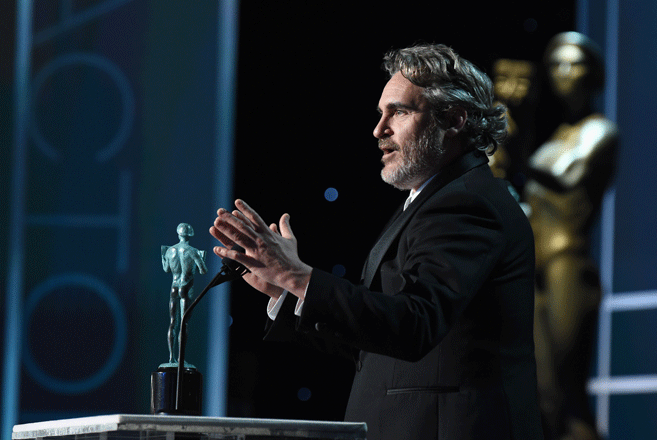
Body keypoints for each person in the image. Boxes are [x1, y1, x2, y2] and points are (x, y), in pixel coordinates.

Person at [210, 43, 543, 440]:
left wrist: (299, 276)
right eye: (380, 113)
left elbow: (415, 323)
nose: (378, 129)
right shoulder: (432, 200)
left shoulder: (466, 203)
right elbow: (376, 342)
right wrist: (289, 290)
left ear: (453, 120)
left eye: (398, 112)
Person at [525, 32, 617, 440]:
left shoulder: (600, 130)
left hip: (568, 264)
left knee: (568, 392)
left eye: (573, 63)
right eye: (556, 63)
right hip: (535, 266)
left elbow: (566, 172)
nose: (563, 72)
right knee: (544, 396)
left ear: (592, 73)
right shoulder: (554, 137)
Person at [162, 223, 208, 365]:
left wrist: (163, 257)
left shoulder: (170, 251)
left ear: (178, 234)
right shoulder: (193, 251)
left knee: (172, 322)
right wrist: (202, 257)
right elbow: (203, 270)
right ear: (190, 234)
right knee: (184, 323)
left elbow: (166, 269)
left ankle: (171, 357)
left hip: (174, 286)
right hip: (186, 286)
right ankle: (180, 358)